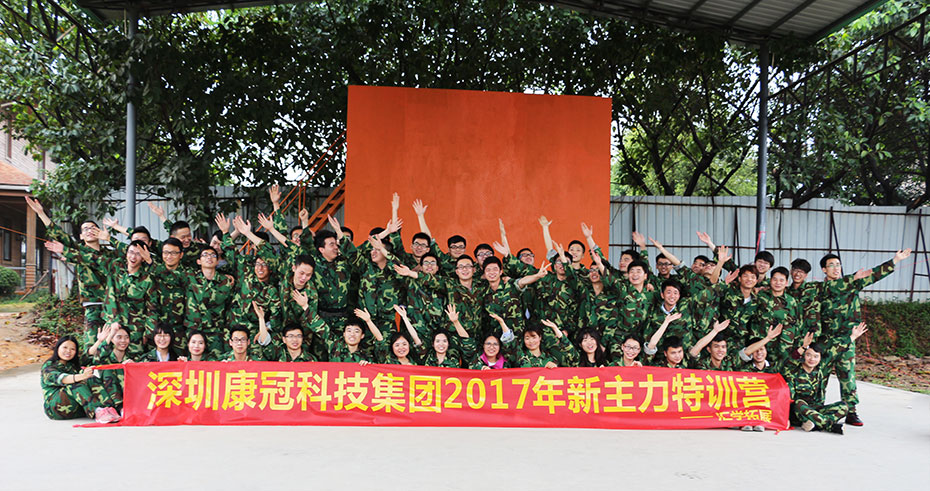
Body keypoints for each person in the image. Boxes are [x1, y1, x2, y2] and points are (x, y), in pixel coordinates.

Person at [816, 248, 911, 426]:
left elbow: (874, 275)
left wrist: (895, 260)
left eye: (838, 265)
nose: (836, 268)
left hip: (847, 339)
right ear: (824, 270)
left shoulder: (853, 283)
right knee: (820, 375)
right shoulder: (821, 289)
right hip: (826, 341)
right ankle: (816, 408)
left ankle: (851, 411)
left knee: (847, 376)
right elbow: (822, 298)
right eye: (831, 265)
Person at [41, 336, 121, 423]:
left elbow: (88, 355)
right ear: (57, 348)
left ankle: (109, 408)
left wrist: (99, 341)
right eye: (65, 347)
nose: (68, 351)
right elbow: (62, 378)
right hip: (56, 408)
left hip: (76, 408)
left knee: (91, 378)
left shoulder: (72, 364)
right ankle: (98, 411)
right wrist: (82, 376)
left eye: (72, 349)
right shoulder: (49, 366)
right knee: (75, 383)